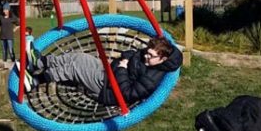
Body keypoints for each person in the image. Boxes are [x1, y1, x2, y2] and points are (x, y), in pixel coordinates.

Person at [26, 36, 182, 107]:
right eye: (147, 52)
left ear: (163, 59)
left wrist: (122, 68)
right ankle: (40, 61)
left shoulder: (152, 80)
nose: (146, 56)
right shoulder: (150, 56)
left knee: (74, 68)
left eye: (151, 56)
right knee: (79, 58)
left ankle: (37, 80)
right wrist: (125, 61)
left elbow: (127, 93)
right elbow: (133, 55)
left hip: (107, 90)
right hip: (107, 73)